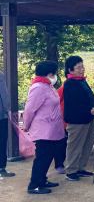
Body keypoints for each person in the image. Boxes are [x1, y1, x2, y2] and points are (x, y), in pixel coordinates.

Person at [23, 61, 66, 194]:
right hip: (43, 129)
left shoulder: (47, 86)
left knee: (47, 157)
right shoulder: (39, 87)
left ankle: (42, 179)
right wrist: (26, 124)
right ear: (49, 74)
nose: (55, 76)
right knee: (42, 157)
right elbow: (29, 109)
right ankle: (34, 185)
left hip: (52, 129)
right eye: (54, 74)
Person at [62, 56, 94, 181]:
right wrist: (90, 109)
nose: (82, 69)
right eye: (78, 67)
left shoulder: (82, 81)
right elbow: (74, 103)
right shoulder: (70, 83)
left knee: (87, 144)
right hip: (76, 119)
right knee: (74, 145)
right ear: (70, 70)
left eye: (82, 66)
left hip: (88, 118)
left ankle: (81, 168)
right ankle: (70, 170)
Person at [0, 72, 14, 178]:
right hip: (1, 115)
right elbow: (4, 94)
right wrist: (6, 108)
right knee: (1, 141)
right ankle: (1, 168)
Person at [54, 83, 68, 174]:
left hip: (71, 120)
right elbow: (56, 102)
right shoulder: (64, 87)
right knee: (61, 144)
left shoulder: (82, 83)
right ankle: (59, 164)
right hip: (62, 120)